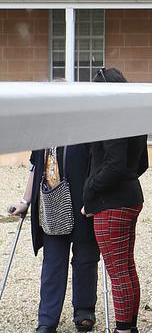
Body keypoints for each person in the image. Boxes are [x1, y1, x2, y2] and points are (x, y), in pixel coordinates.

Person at [81, 67, 148, 333]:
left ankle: (122, 329)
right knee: (126, 269)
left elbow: (115, 165)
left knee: (118, 273)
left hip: (112, 203)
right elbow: (140, 163)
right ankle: (129, 328)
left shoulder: (111, 117)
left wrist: (90, 190)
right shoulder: (134, 116)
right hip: (131, 196)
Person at [9, 141, 99, 333]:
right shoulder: (45, 127)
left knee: (86, 256)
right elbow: (35, 164)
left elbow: (98, 163)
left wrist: (97, 198)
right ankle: (48, 318)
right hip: (51, 198)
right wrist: (25, 201)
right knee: (53, 260)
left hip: (84, 198)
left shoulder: (87, 125)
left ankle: (84, 310)